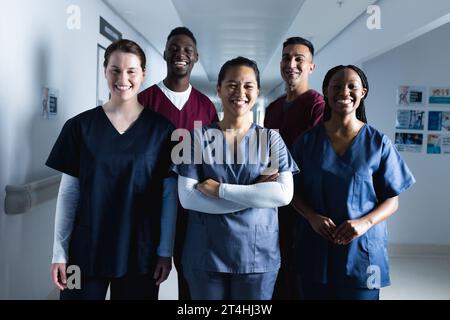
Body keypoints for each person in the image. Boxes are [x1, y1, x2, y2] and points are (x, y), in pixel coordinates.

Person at [46, 39, 176, 300]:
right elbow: (68, 194)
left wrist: (165, 251)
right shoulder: (79, 127)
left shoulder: (163, 131)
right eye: (115, 70)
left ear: (143, 74)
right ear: (105, 71)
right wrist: (59, 253)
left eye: (131, 71)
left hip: (141, 251)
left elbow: (168, 197)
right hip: (83, 251)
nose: (123, 78)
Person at [174, 57, 299, 300]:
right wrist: (256, 193)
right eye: (231, 84)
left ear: (258, 91)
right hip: (205, 255)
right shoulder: (196, 138)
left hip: (257, 257)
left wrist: (220, 190)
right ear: (218, 89)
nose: (240, 92)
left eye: (248, 86)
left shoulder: (272, 140)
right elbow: (188, 198)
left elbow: (283, 195)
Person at [291, 65, 415, 300]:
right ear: (326, 91)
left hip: (363, 252)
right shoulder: (307, 141)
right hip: (316, 247)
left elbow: (392, 199)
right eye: (336, 86)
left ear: (363, 92)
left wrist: (365, 223)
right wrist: (312, 217)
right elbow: (292, 191)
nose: (344, 92)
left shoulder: (378, 143)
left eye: (352, 87)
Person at [138, 27, 218, 300]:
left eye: (187, 50)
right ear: (164, 54)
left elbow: (213, 159)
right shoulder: (144, 101)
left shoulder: (206, 106)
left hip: (193, 209)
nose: (180, 54)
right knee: (146, 281)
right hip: (149, 206)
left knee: (191, 284)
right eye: (174, 48)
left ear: (196, 57)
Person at [264, 36, 325, 300]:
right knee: (276, 270)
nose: (291, 63)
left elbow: (317, 158)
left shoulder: (318, 106)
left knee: (299, 275)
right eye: (287, 57)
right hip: (273, 202)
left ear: (311, 67)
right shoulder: (273, 108)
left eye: (299, 58)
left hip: (303, 203)